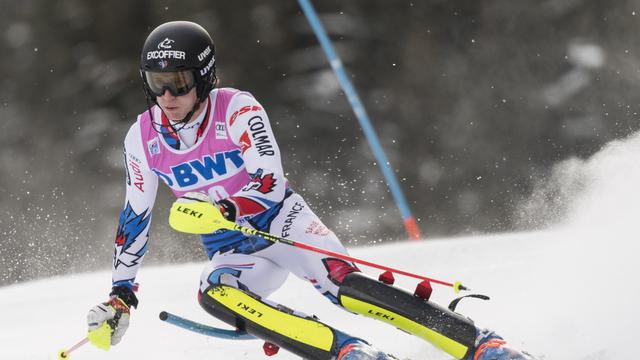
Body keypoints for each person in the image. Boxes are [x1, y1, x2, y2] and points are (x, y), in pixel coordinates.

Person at [86, 21, 532, 360]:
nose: (167, 96)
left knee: (346, 288)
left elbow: (268, 181)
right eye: (155, 83)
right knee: (213, 291)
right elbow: (134, 220)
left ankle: (481, 344)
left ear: (203, 78)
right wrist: (120, 295)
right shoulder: (141, 139)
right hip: (234, 250)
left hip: (284, 222)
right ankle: (351, 353)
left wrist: (225, 207)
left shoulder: (237, 109)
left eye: (178, 83)